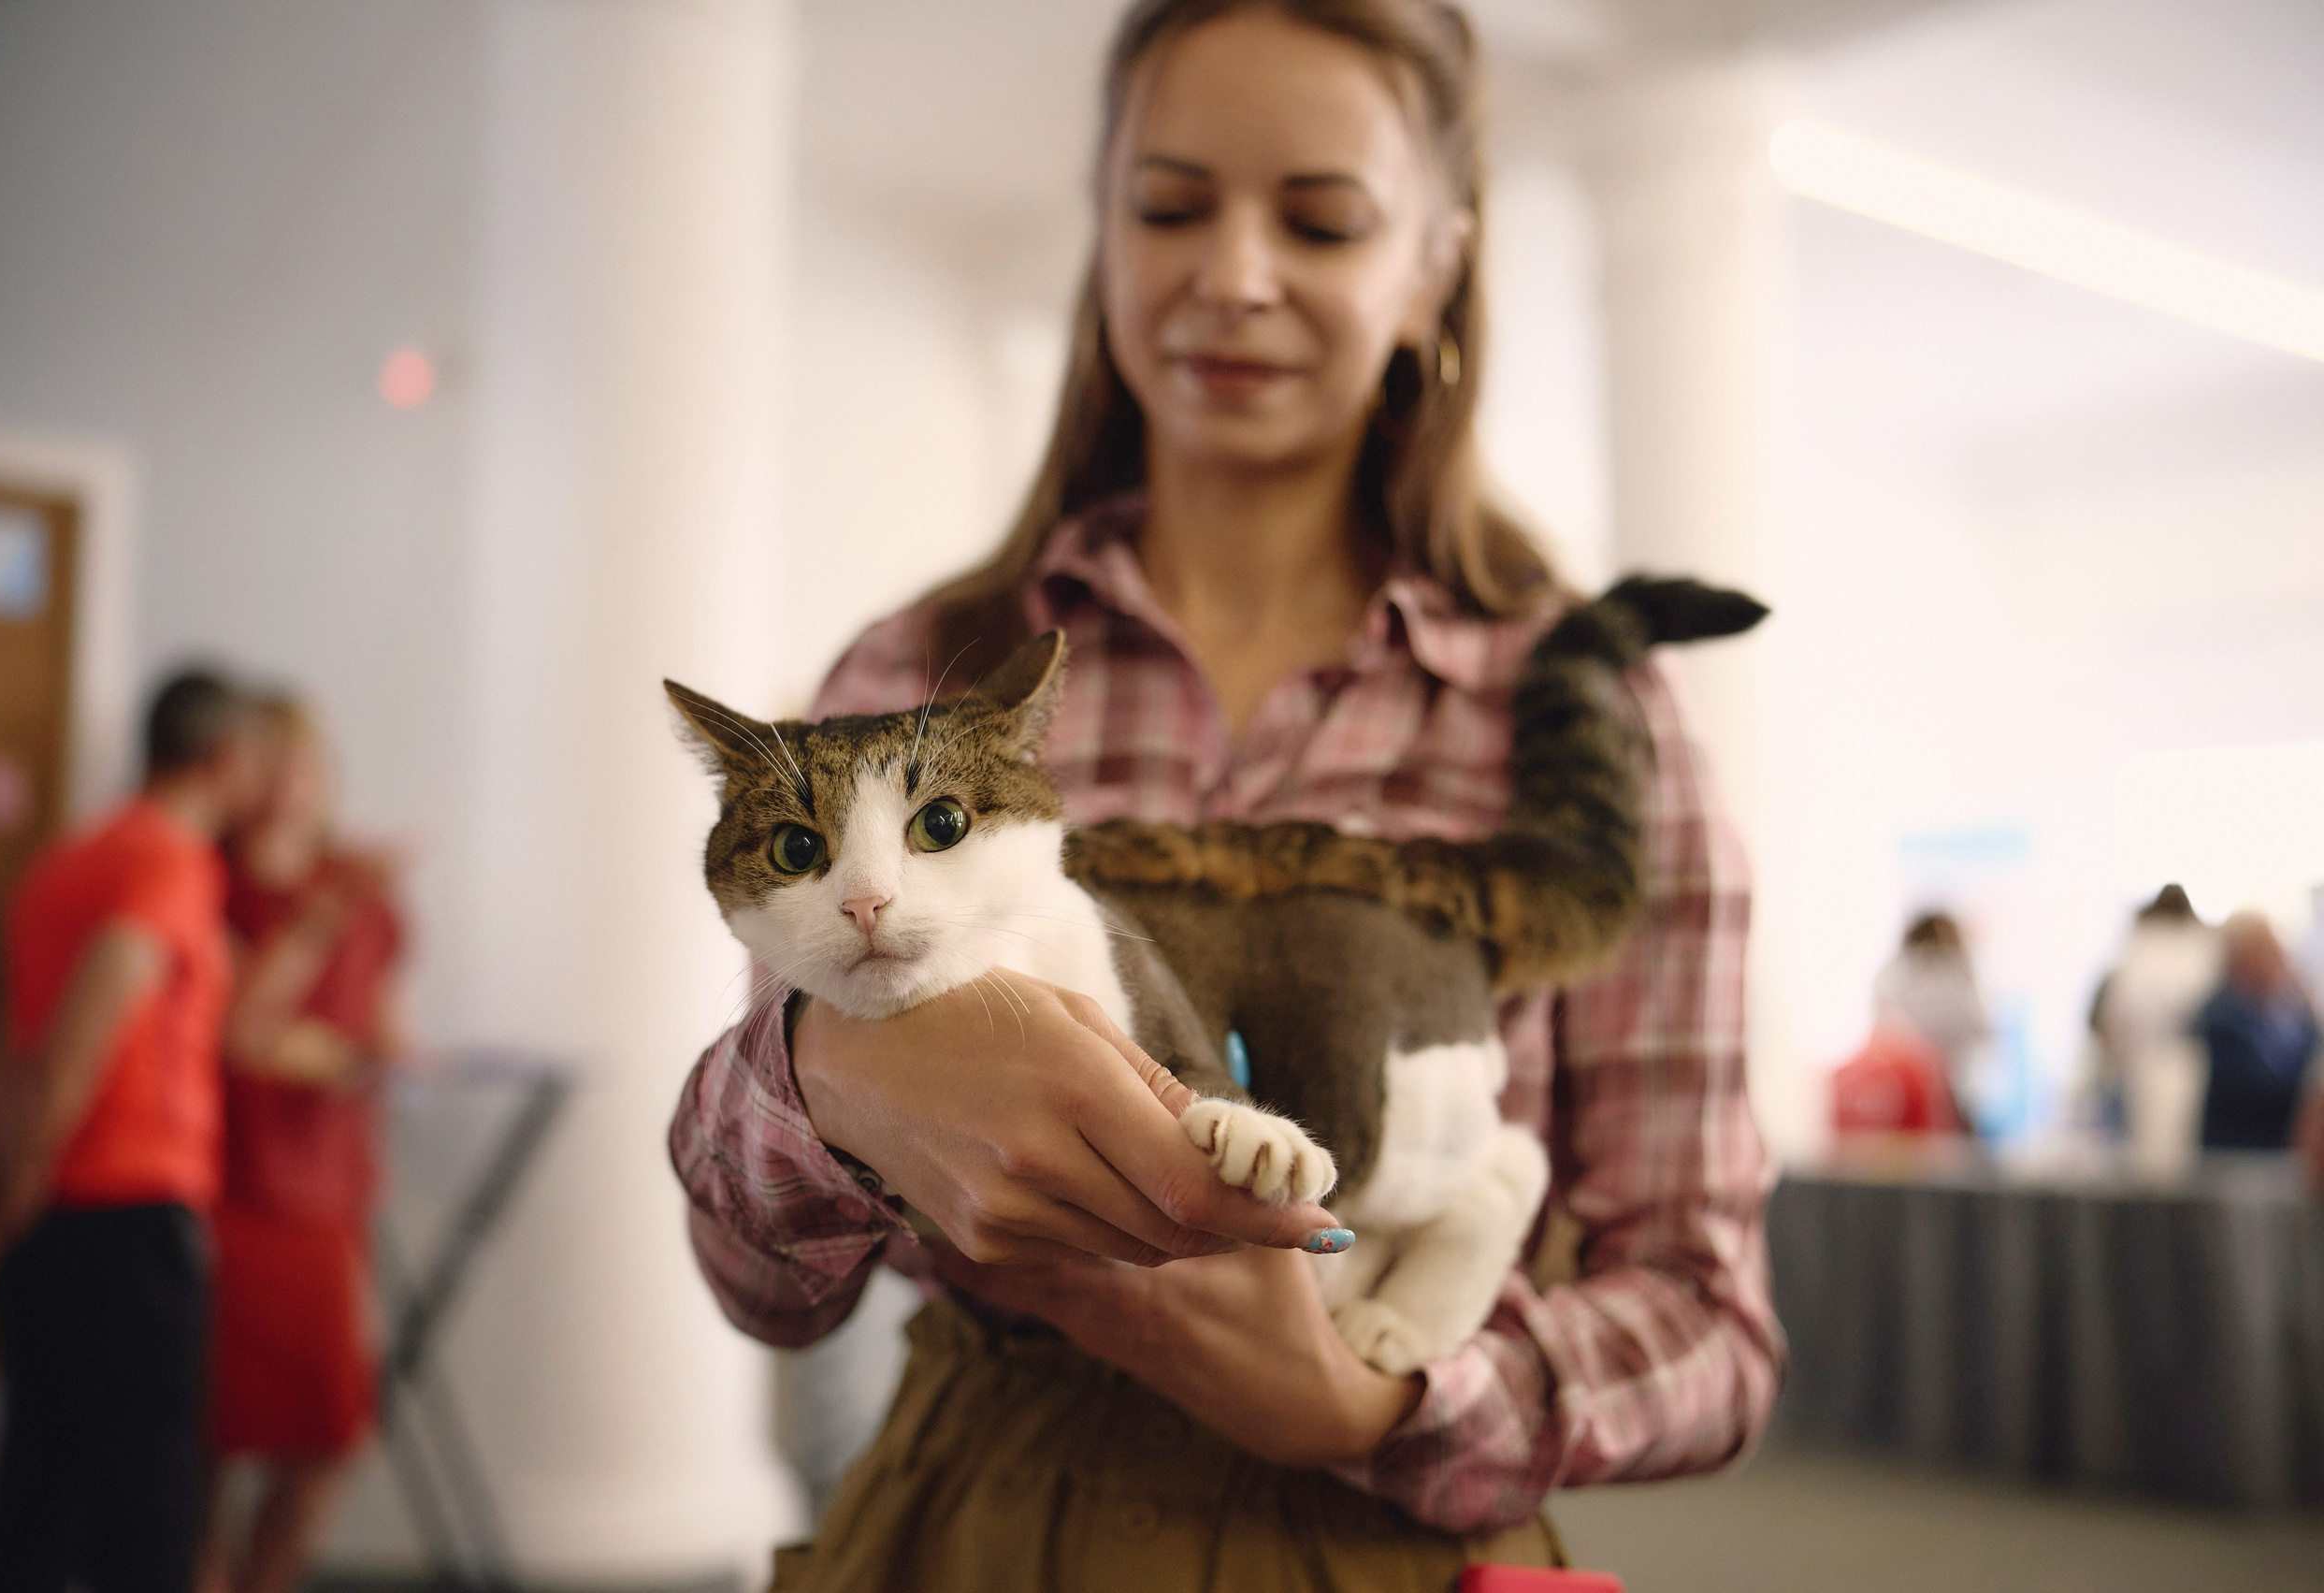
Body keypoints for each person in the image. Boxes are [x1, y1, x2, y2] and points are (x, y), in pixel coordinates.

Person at [668, 3, 1780, 1586]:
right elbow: (758, 1284)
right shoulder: (917, 674)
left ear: (1436, 266)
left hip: (1376, 1539)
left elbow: (1709, 1317)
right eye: (1172, 206)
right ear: (1103, 231)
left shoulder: (1589, 717)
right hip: (968, 1522)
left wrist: (1381, 1401)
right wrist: (819, 1080)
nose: (1235, 274)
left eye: (1320, 222)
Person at [0, 670, 267, 1593]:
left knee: (39, 1494)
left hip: (54, 1212)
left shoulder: (66, 858)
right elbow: (84, 1032)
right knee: (149, 1512)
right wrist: (16, 1191)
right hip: (130, 1213)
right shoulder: (170, 861)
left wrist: (4, 1187)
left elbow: (2, 1044)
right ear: (223, 757)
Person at [199, 697, 406, 1593]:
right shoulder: (211, 880)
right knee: (208, 1433)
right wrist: (320, 918)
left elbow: (382, 1029)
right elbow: (239, 1027)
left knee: (331, 1428)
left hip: (327, 1185)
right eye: (275, 767)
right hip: (229, 1180)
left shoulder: (359, 890)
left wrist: (392, 1064)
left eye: (306, 766)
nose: (292, 787)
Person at [2098, 884, 2220, 1178]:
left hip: (2148, 1058)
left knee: (2148, 1151)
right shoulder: (2201, 947)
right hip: (2176, 1058)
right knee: (2172, 1151)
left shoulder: (2138, 947)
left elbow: (2114, 1016)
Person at [2191, 912, 2317, 1152]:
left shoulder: (2276, 1010)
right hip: (2237, 1157)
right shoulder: (2220, 1017)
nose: (2282, 960)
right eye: (2272, 951)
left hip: (2270, 1156)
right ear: (2245, 957)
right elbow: (2267, 1089)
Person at [1869, 910, 1989, 1133]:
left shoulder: (1895, 985)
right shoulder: (1961, 985)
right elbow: (1983, 1032)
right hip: (1933, 1105)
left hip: (1920, 1107)